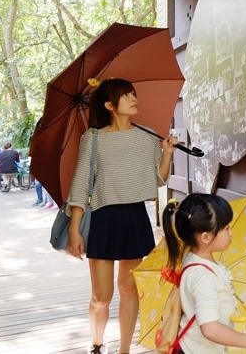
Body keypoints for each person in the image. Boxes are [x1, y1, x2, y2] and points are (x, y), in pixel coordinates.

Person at [65, 78, 179, 354]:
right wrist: (74, 229)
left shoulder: (147, 136)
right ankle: (96, 342)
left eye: (133, 93)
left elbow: (158, 180)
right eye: (126, 95)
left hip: (135, 217)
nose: (133, 98)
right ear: (110, 105)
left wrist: (167, 154)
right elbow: (81, 184)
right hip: (103, 218)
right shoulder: (92, 139)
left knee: (129, 289)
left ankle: (124, 350)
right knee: (101, 297)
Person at [162, 194, 246, 353]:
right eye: (225, 228)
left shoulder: (194, 259)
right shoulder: (202, 276)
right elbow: (209, 328)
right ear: (205, 237)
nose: (231, 233)